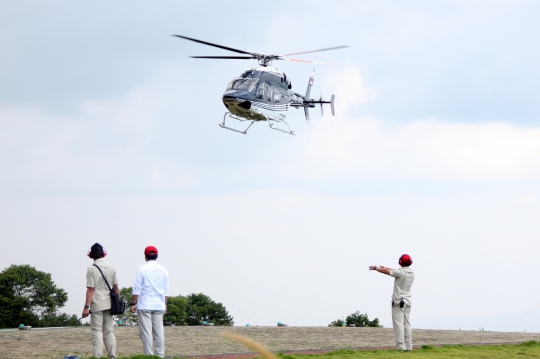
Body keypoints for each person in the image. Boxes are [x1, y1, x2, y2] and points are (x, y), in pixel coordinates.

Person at [369, 254, 415, 351]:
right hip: (408, 301)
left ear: (401, 262)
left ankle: (400, 346)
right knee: (407, 324)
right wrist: (385, 267)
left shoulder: (400, 273)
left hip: (399, 301)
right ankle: (408, 345)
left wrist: (375, 268)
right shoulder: (411, 273)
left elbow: (388, 272)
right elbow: (395, 270)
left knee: (398, 324)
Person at [130, 246, 169, 358]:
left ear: (145, 256)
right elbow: (166, 290)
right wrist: (165, 304)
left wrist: (133, 303)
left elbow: (137, 288)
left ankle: (148, 356)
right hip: (159, 304)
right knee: (159, 332)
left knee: (146, 333)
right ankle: (160, 355)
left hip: (145, 304)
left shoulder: (142, 269)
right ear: (157, 256)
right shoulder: (163, 270)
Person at [82, 243, 119, 359]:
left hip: (97, 303)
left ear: (90, 255)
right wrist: (117, 304)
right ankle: (112, 355)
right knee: (109, 330)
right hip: (110, 303)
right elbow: (116, 287)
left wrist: (86, 307)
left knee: (97, 330)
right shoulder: (111, 267)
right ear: (104, 253)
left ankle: (98, 356)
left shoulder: (92, 269)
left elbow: (91, 289)